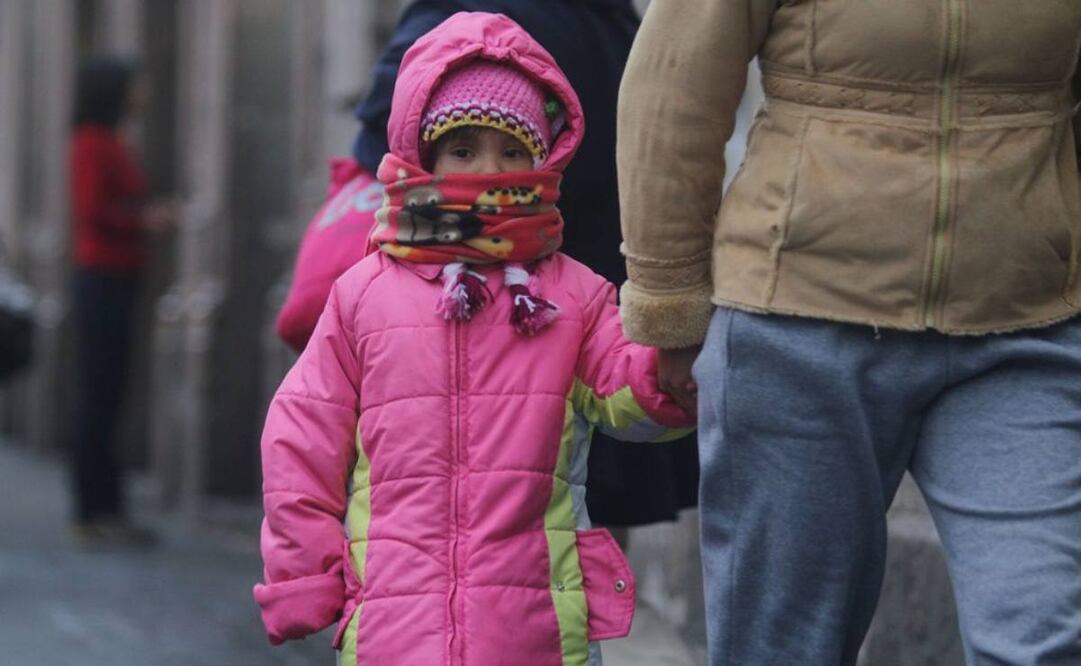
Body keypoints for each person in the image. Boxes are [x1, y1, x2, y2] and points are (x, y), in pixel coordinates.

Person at [617, 2, 1081, 665]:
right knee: (782, 648)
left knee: (1045, 638)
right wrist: (668, 298)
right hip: (799, 324)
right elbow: (674, 89)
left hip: (1022, 326)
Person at [254, 13, 692, 664]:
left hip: (536, 633)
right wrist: (302, 575)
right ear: (422, 158)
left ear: (545, 158)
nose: (489, 171)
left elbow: (627, 392)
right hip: (394, 634)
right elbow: (301, 441)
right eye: (463, 150)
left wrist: (670, 366)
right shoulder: (366, 296)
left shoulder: (573, 296)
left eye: (512, 150)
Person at [68, 57, 172, 545]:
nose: (143, 93)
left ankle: (107, 509)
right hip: (102, 276)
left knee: (109, 393)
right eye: (136, 86)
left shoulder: (112, 140)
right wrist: (145, 221)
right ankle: (93, 512)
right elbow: (93, 211)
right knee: (99, 394)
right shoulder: (93, 142)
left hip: (118, 276)